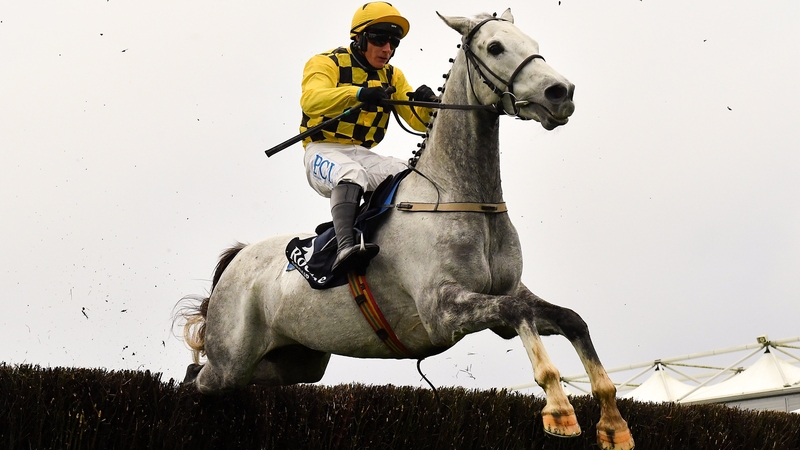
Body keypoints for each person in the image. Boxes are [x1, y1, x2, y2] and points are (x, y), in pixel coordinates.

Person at [299, 2, 437, 273]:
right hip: (321, 150)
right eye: (380, 39)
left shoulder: (393, 76)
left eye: (394, 42)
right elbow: (311, 101)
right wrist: (359, 93)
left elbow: (418, 123)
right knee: (351, 173)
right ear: (360, 38)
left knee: (406, 174)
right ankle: (345, 247)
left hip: (361, 153)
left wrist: (428, 106)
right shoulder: (326, 62)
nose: (388, 49)